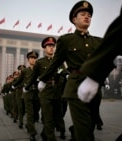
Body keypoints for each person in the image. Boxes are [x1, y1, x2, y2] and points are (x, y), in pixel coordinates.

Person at [37, 1, 103, 140]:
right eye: (83, 14)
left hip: (94, 88)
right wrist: (43, 79)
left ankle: (75, 132)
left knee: (90, 125)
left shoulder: (98, 42)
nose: (87, 17)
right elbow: (56, 63)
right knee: (85, 133)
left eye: (89, 15)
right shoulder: (67, 40)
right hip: (76, 88)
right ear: (74, 19)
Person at [24, 37, 66, 141]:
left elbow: (64, 72)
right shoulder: (40, 63)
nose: (51, 48)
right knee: (48, 118)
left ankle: (45, 133)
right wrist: (27, 87)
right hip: (45, 93)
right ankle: (51, 138)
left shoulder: (59, 61)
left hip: (57, 92)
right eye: (49, 46)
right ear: (44, 48)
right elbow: (33, 77)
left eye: (53, 46)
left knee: (58, 116)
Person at [12, 51, 40, 141]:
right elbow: (20, 79)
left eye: (35, 58)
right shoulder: (25, 71)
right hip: (27, 94)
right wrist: (13, 85)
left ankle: (29, 125)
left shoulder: (39, 70)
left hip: (37, 94)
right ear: (28, 60)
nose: (33, 60)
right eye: (31, 58)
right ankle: (32, 133)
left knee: (35, 114)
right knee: (30, 114)